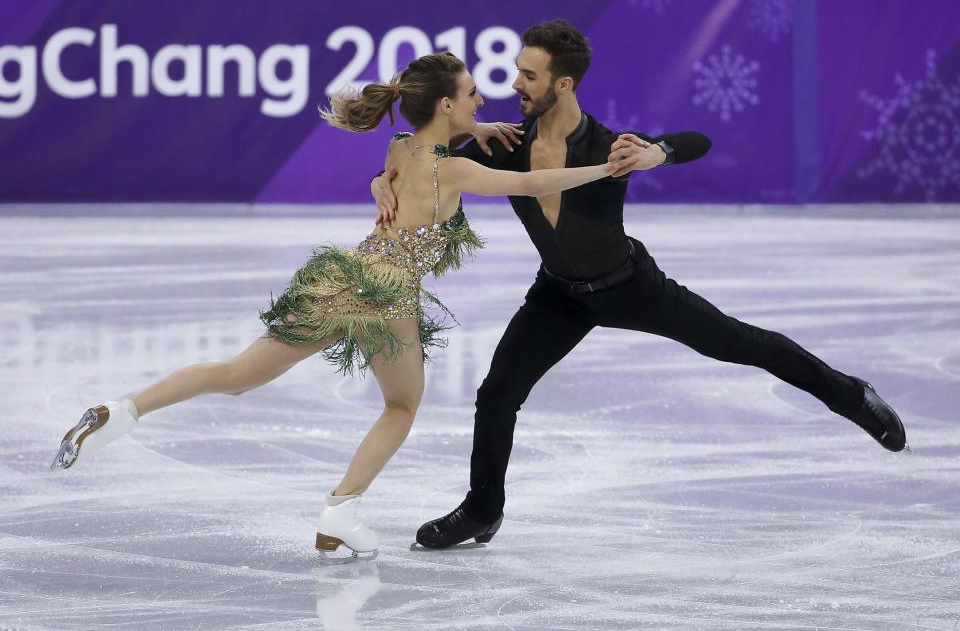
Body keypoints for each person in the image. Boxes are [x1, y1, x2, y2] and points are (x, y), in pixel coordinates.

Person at [49, 51, 636, 559]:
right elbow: (535, 184)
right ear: (448, 106)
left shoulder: (400, 148)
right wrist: (606, 166)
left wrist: (469, 134)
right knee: (402, 407)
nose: (482, 98)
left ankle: (117, 411)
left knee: (235, 375)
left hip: (345, 275)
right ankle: (339, 513)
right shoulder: (455, 170)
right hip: (388, 293)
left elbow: (408, 162)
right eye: (472, 94)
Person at [371, 20, 908, 550]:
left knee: (742, 344)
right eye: (517, 72)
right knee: (496, 395)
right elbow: (419, 168)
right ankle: (483, 510)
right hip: (558, 295)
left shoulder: (610, 147)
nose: (514, 85)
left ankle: (850, 395)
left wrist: (658, 153)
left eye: (528, 76)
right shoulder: (506, 145)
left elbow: (697, 140)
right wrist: (380, 183)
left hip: (629, 285)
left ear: (563, 84)